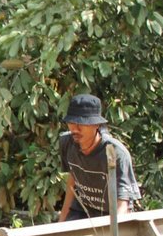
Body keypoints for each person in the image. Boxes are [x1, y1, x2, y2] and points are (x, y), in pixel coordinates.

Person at [56, 94, 141, 223]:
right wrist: (61, 223)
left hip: (112, 214)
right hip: (83, 210)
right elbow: (72, 181)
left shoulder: (115, 152)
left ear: (96, 125)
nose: (75, 129)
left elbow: (123, 203)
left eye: (82, 123)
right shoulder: (67, 143)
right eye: (71, 123)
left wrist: (114, 229)